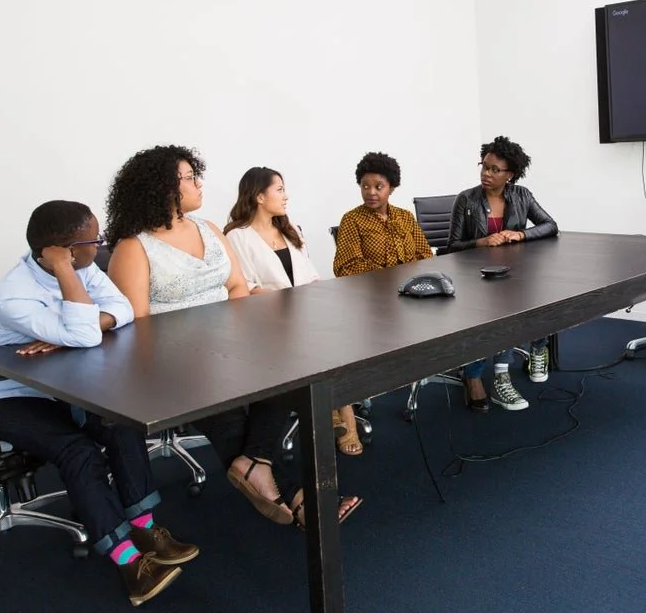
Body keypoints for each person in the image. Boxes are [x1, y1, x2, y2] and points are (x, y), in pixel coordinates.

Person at [0, 200, 195, 607]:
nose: (99, 246)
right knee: (77, 450)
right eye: (91, 240)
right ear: (59, 250)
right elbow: (83, 338)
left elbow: (122, 309)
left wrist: (81, 324)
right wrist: (73, 308)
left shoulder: (86, 267)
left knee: (122, 422)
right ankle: (127, 559)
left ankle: (144, 527)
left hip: (51, 388)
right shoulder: (14, 296)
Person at [104, 145, 361, 529]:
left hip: (228, 345)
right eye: (190, 177)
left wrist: (237, 339)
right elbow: (138, 326)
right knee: (225, 403)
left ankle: (255, 465)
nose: (199, 183)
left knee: (292, 365)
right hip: (175, 360)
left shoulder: (208, 230)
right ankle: (293, 489)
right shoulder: (132, 248)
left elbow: (238, 288)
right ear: (162, 187)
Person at [223, 167, 363, 457]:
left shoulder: (290, 229)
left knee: (336, 333)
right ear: (259, 196)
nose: (286, 196)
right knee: (319, 343)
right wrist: (292, 303)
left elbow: (310, 276)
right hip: (266, 322)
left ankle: (337, 410)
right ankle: (339, 414)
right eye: (280, 189)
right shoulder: (237, 236)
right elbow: (245, 287)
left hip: (304, 314)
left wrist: (314, 301)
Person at [447, 136, 558, 412]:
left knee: (545, 294)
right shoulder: (467, 199)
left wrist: (520, 233)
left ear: (510, 174)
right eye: (484, 167)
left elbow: (550, 225)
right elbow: (451, 247)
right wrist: (481, 242)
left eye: (495, 169)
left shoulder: (522, 195)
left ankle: (538, 348)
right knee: (501, 313)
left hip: (514, 273)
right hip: (477, 279)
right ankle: (500, 377)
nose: (486, 173)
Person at [332, 151, 434, 278]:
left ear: (391, 188)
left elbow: (426, 255)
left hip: (409, 286)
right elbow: (346, 267)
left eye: (378, 187)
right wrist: (390, 275)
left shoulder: (405, 216)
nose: (371, 192)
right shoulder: (352, 220)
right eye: (365, 186)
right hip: (371, 292)